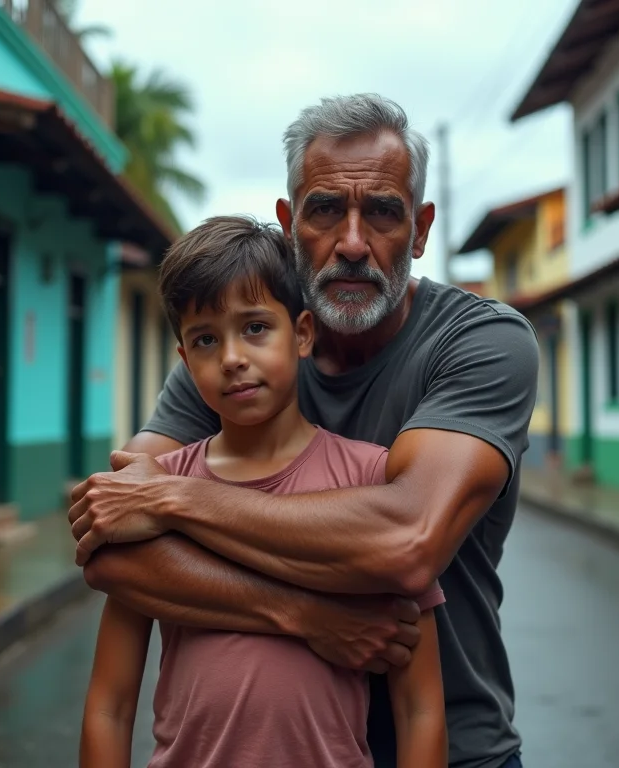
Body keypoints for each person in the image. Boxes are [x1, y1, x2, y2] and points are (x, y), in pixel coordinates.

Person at [70, 93, 538, 768]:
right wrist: (307, 618)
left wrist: (176, 500)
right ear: (290, 223)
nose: (352, 243)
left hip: (453, 751)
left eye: (382, 211)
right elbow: (109, 539)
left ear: (421, 228)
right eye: (324, 210)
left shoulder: (481, 343)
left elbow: (406, 541)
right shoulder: (239, 363)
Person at [80, 215, 448, 768]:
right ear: (184, 358)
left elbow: (420, 707)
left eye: (255, 328)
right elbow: (109, 704)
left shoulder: (372, 479)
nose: (231, 357)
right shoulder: (155, 490)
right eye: (206, 339)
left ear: (302, 333)